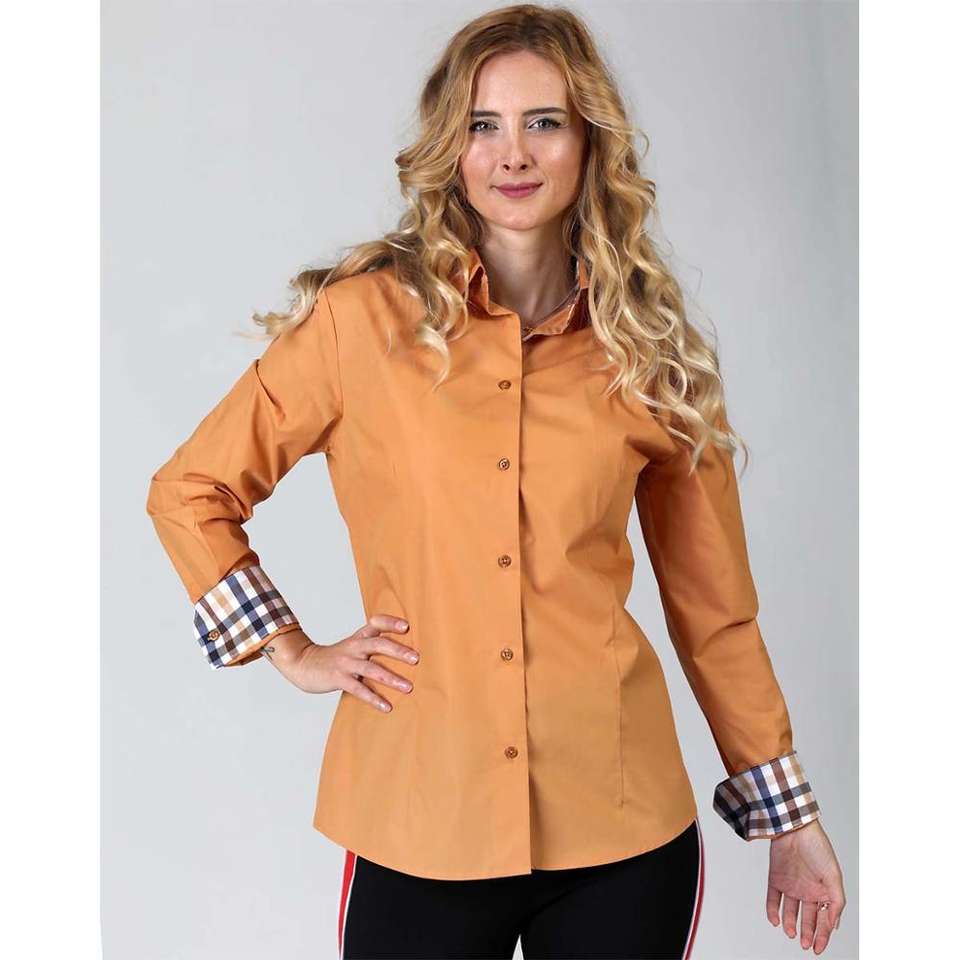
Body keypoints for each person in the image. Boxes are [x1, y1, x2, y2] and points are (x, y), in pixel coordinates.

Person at [145, 4, 846, 958]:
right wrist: (290, 648)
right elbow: (191, 490)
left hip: (620, 825)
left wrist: (788, 817)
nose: (512, 154)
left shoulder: (647, 352)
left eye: (543, 122)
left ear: (589, 141)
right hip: (419, 816)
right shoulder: (361, 324)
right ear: (452, 147)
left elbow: (715, 609)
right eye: (483, 125)